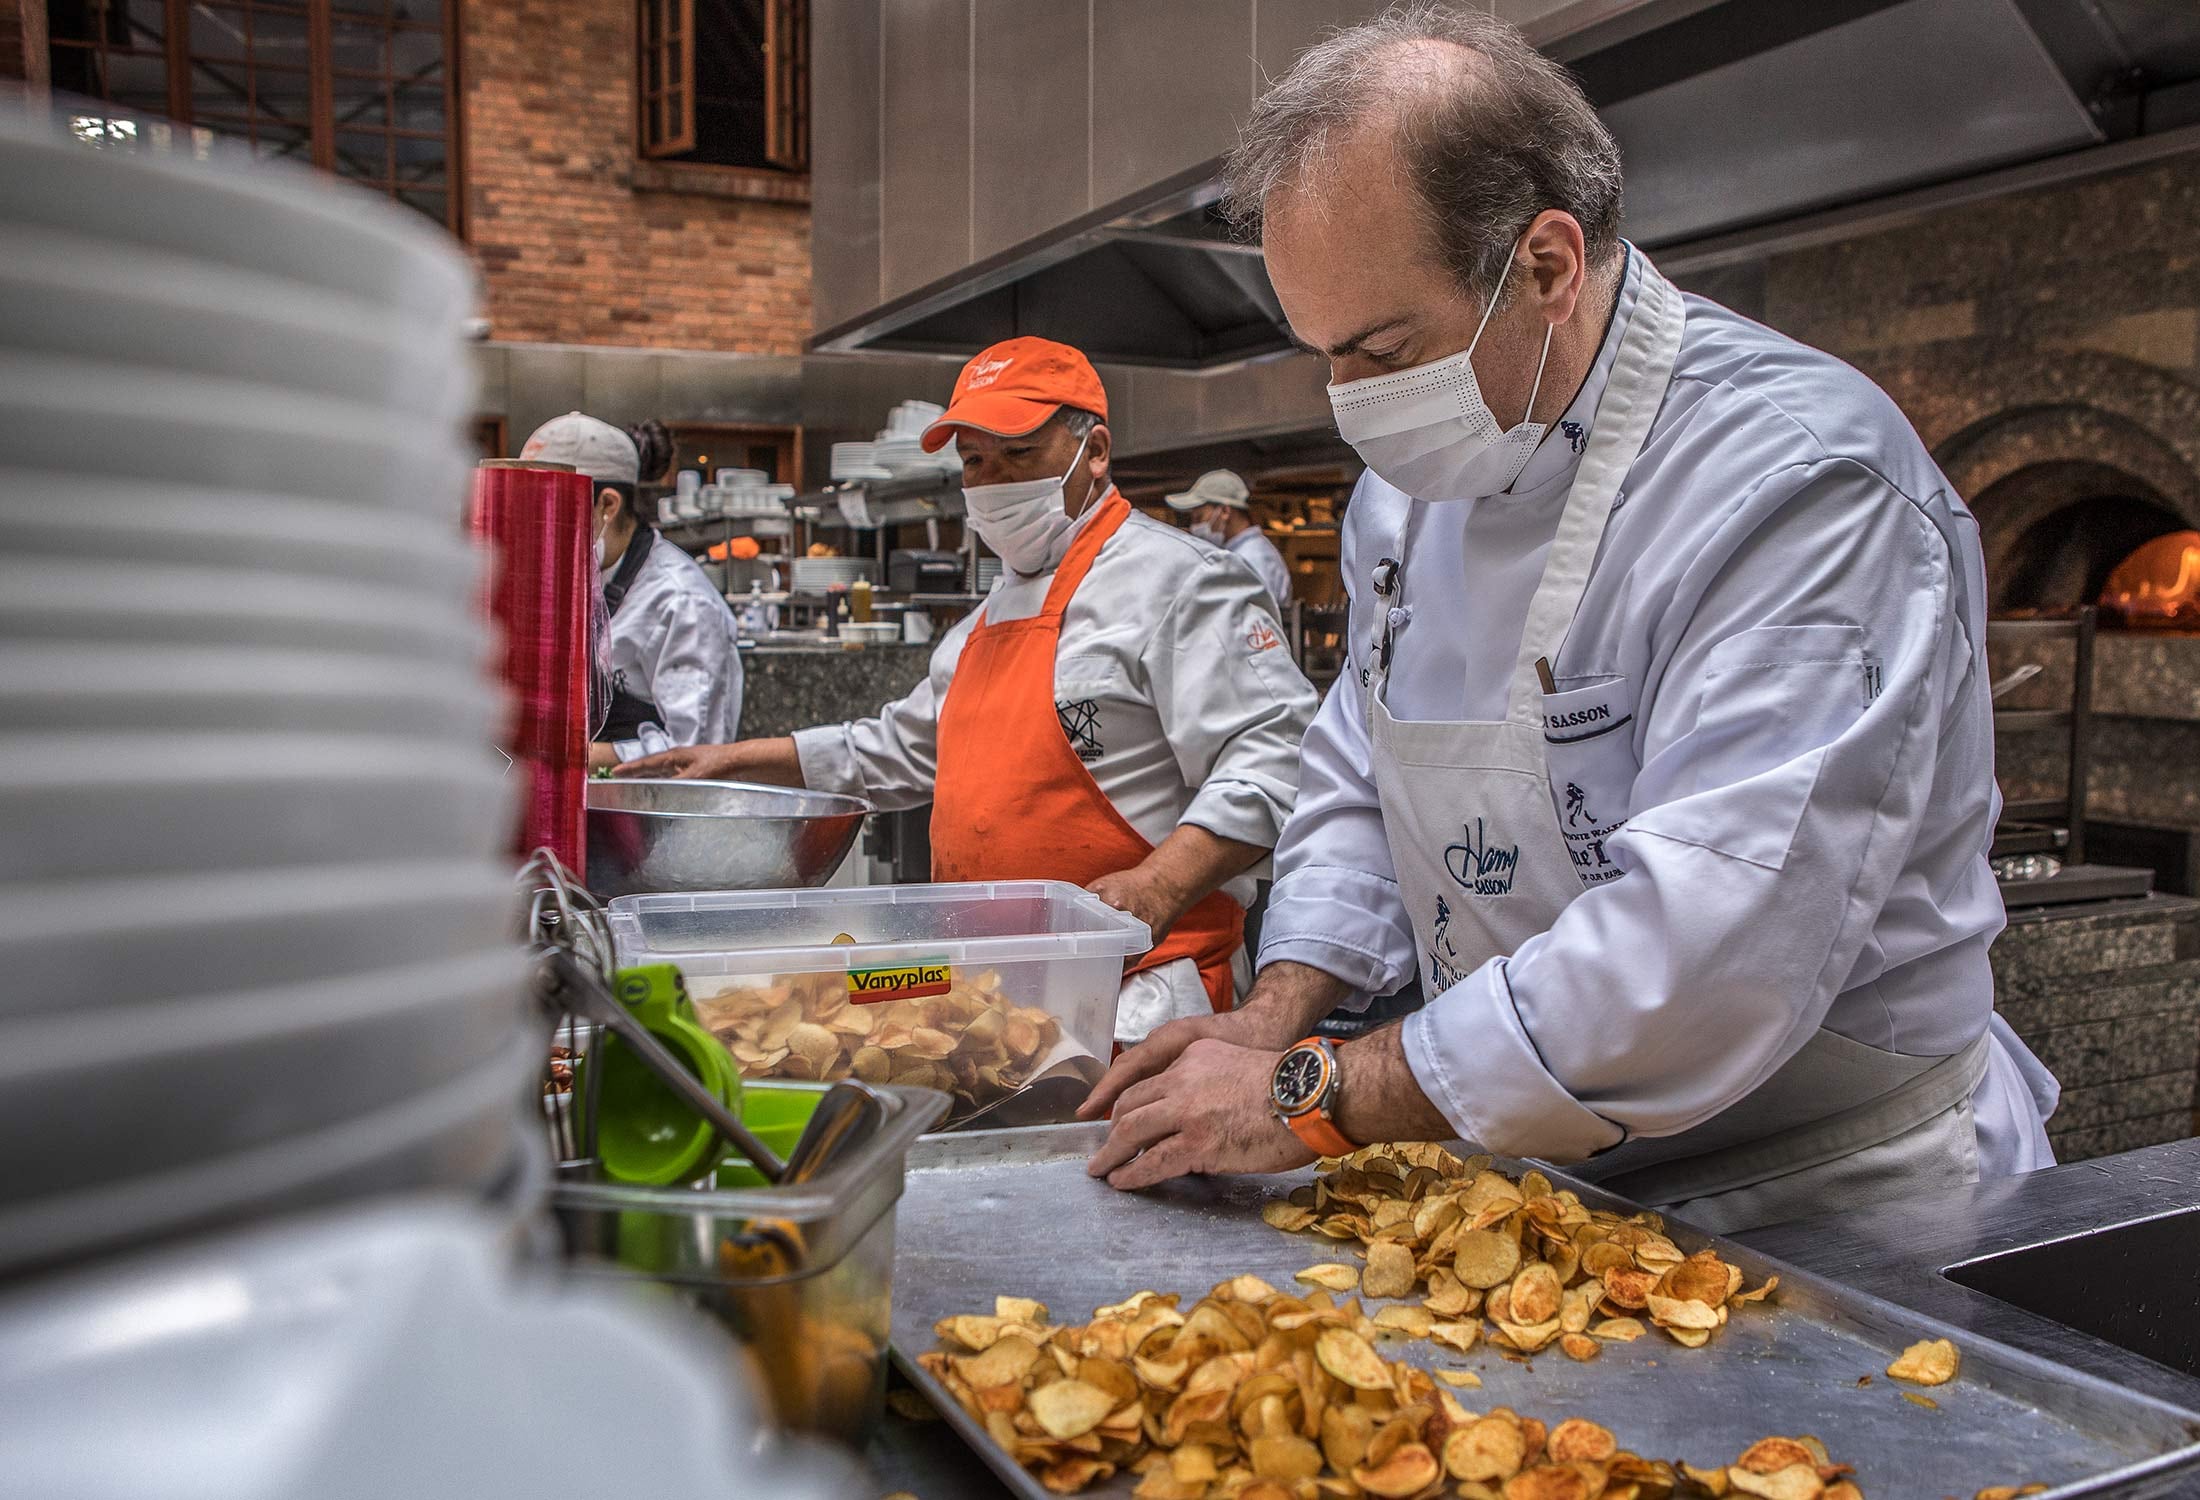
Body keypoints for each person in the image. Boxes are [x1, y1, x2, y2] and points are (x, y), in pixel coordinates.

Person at [1081, 5, 2060, 1231]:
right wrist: (1278, 1007)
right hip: (1536, 1167)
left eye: (1383, 349)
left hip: (1824, 1193)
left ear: (1545, 266)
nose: (1352, 404)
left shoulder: (1794, 485)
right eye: (1325, 355)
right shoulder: (1413, 490)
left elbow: (1704, 956)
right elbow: (1359, 766)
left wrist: (1314, 1088)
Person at [620, 338, 1320, 1044]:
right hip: (987, 996)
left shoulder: (1181, 582)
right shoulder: (982, 622)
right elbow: (896, 750)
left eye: (1018, 454)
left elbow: (1275, 753)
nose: (992, 482)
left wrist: (1159, 885)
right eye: (975, 462)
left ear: (1095, 450)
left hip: (1139, 994)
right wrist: (734, 762)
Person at [520, 412, 743, 770]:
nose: (538, 528)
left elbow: (696, 755)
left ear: (607, 505)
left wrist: (569, 757)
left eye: (551, 508)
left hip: (650, 814)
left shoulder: (681, 601)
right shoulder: (585, 573)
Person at [1167, 469, 1293, 609]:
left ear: (1225, 512)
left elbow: (1251, 622)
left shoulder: (1253, 558)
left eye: (1199, 518)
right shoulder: (1239, 553)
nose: (1194, 527)